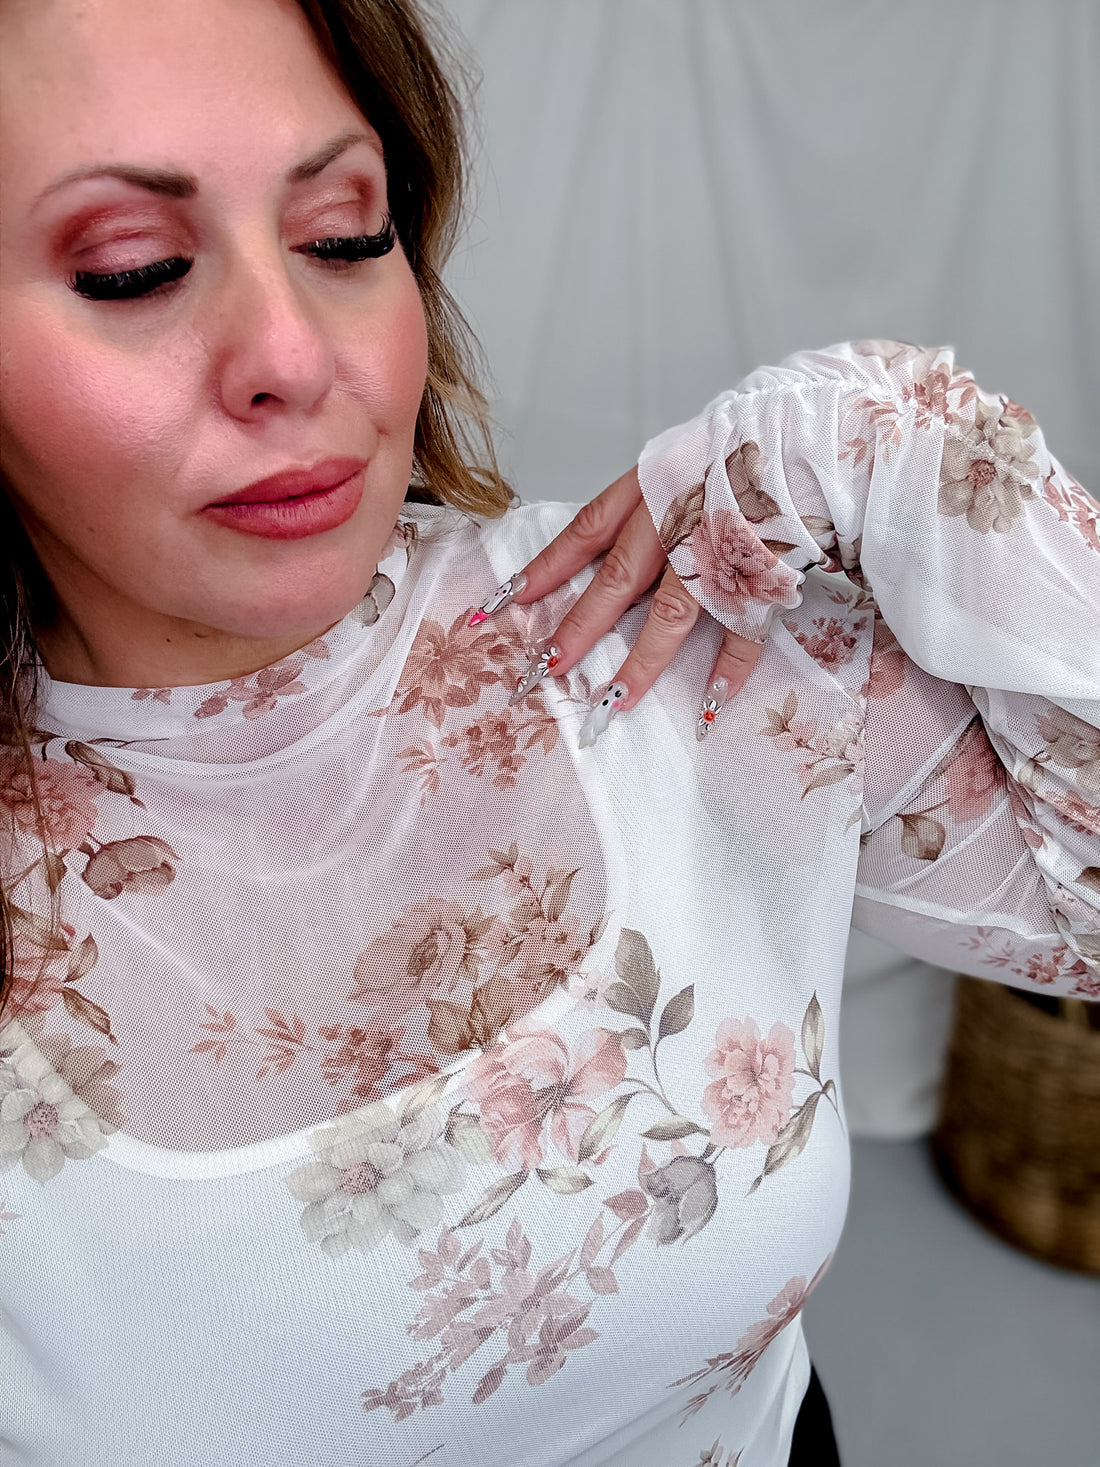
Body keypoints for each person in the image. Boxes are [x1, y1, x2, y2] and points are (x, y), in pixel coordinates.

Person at [0, 1, 1096, 1465]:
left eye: (343, 236)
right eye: (130, 270)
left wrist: (905, 443)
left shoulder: (665, 645)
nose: (291, 354)